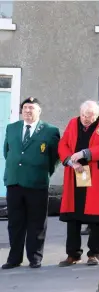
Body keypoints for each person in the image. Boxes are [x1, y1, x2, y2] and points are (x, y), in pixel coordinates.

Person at [2, 97, 60, 269]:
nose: (28, 111)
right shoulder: (12, 128)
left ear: (39, 111)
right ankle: (14, 258)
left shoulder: (50, 131)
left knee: (37, 222)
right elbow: (7, 152)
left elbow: (54, 157)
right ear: (21, 111)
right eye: (25, 108)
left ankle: (35, 257)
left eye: (32, 108)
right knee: (15, 222)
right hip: (14, 182)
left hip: (37, 182)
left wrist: (42, 171)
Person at [57, 101, 99, 266]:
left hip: (94, 174)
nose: (85, 119)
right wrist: (70, 161)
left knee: (96, 216)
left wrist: (85, 153)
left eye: (89, 116)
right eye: (83, 115)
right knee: (73, 215)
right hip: (76, 172)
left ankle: (94, 253)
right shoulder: (73, 123)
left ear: (96, 115)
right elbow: (63, 144)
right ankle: (73, 254)